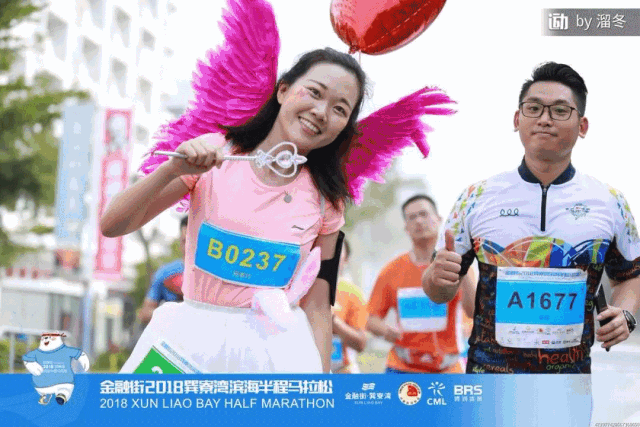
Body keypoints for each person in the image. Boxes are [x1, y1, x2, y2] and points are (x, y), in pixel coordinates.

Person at [101, 48, 367, 373]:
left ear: (345, 126)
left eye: (340, 109)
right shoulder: (214, 155)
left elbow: (318, 306)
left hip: (273, 358)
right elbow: (112, 225)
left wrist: (320, 390)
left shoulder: (328, 200)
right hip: (184, 346)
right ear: (283, 90)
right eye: (314, 92)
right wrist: (171, 170)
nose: (321, 112)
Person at [422, 62, 640, 426]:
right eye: (534, 108)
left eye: (560, 111)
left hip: (568, 387)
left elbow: (630, 275)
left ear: (582, 126)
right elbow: (438, 291)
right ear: (516, 119)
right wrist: (436, 278)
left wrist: (626, 315)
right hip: (489, 382)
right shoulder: (476, 197)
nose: (545, 119)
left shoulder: (610, 202)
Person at [366, 195, 476, 373]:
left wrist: (462, 267)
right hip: (401, 369)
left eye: (424, 214)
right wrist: (385, 331)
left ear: (439, 219)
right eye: (412, 217)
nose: (418, 221)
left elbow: (473, 312)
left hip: (448, 369)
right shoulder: (391, 270)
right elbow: (371, 319)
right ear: (406, 227)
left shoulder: (456, 265)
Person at [137, 216, 188, 324]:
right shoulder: (165, 273)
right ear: (180, 241)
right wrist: (172, 313)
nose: (188, 246)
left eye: (194, 241)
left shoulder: (214, 274)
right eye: (185, 241)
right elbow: (144, 313)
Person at [332, 238, 369, 373]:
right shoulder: (302, 290)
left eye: (338, 249)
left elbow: (361, 344)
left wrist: (333, 320)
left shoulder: (353, 293)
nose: (331, 253)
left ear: (346, 259)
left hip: (342, 372)